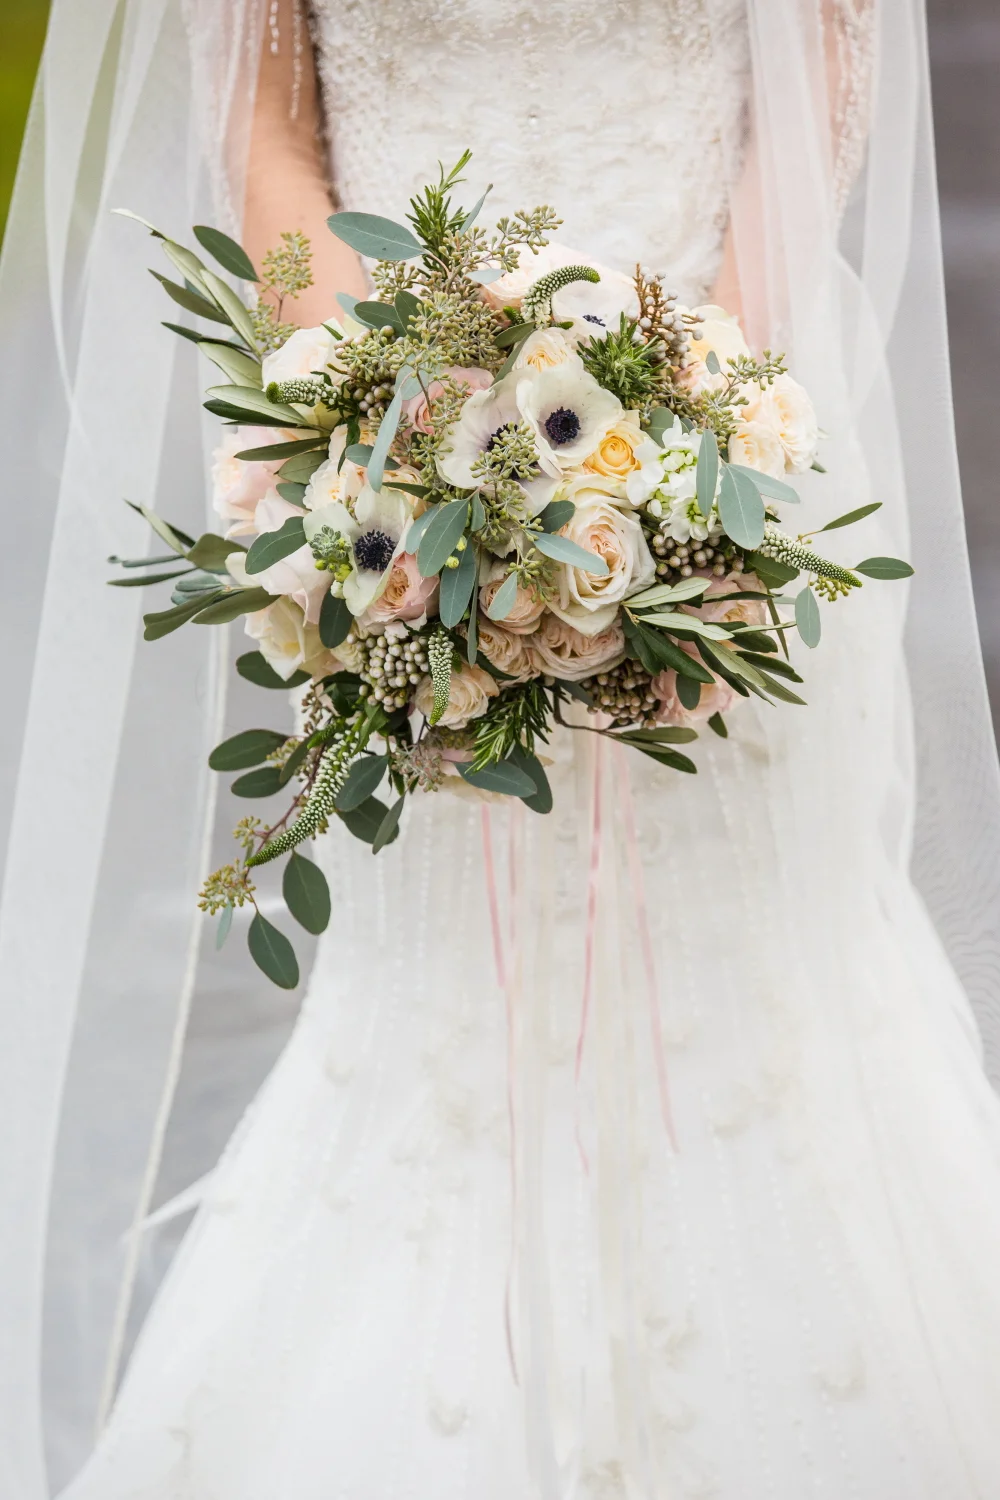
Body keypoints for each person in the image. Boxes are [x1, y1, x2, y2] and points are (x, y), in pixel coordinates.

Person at [3, 2, 1000, 1497]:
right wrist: (373, 436)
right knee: (437, 1014)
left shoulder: (715, 462)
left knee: (756, 1000)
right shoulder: (385, 474)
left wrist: (695, 465)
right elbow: (264, 124)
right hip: (398, 522)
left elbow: (818, 86)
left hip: (724, 463)